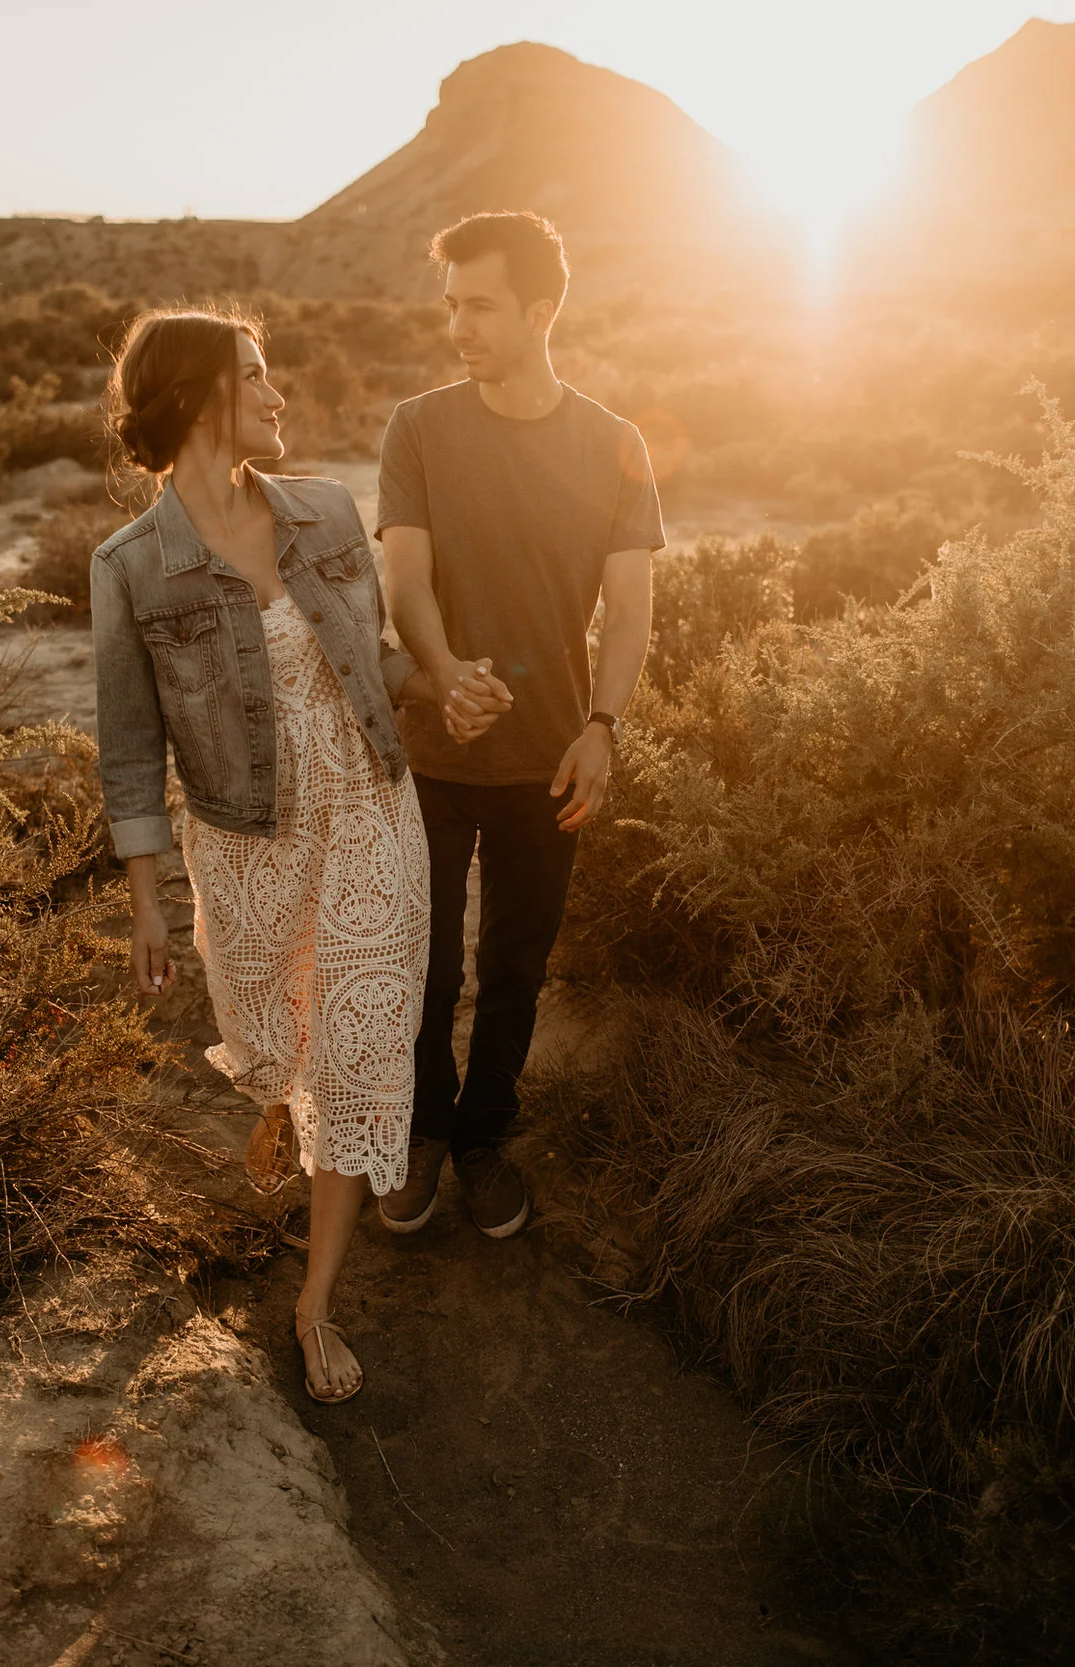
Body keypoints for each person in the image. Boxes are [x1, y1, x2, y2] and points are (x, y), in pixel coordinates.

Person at [89, 308, 508, 1403]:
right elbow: (130, 747)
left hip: (368, 808)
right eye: (256, 376)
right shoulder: (130, 566)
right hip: (246, 836)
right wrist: (147, 898)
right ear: (197, 398)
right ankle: (284, 1097)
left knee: (361, 1050)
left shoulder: (324, 509)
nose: (278, 396)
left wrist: (440, 683)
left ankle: (315, 1303)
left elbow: (372, 656)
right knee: (276, 1038)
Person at [374, 212, 663, 1239]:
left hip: (550, 761)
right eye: (452, 305)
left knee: (514, 971)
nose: (459, 326)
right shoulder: (418, 427)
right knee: (425, 966)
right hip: (433, 756)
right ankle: (420, 1129)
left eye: (482, 307)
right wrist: (446, 674)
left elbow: (629, 608)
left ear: (542, 311)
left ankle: (483, 1142)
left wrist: (603, 725)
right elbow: (404, 577)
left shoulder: (614, 443)